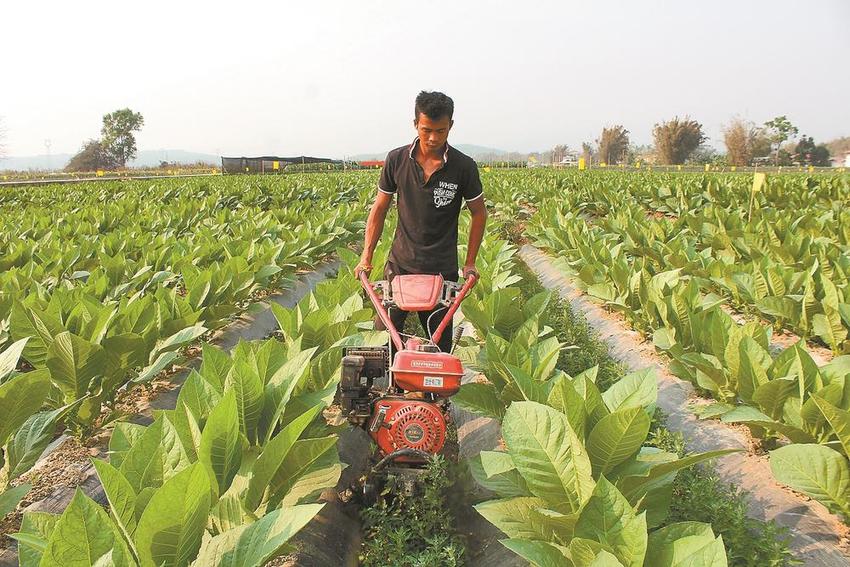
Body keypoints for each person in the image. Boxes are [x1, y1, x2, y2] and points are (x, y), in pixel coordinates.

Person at [354, 91, 488, 353]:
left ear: (451, 126)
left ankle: (432, 395)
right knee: (384, 342)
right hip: (401, 265)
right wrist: (366, 256)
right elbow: (380, 208)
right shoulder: (396, 160)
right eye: (427, 130)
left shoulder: (463, 166)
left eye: (441, 131)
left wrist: (470, 262)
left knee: (437, 347)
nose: (433, 138)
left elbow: (479, 213)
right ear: (415, 124)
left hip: (441, 269)